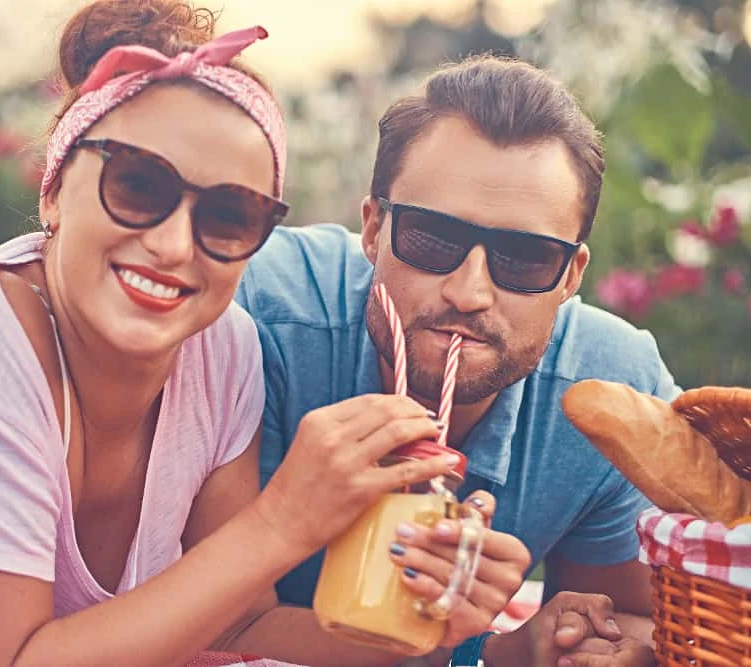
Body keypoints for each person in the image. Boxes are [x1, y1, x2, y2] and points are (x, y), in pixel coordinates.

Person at [0, 3, 529, 666]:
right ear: (54, 189)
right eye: (137, 185)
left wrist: (431, 633)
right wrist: (286, 519)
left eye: (229, 215)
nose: (172, 244)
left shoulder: (227, 350)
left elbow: (238, 622)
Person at [234, 55, 675, 667]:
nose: (469, 293)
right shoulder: (255, 318)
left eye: (524, 258)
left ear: (572, 275)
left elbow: (645, 622)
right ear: (372, 229)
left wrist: (583, 645)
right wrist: (457, 650)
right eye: (432, 239)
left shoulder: (610, 398)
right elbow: (216, 622)